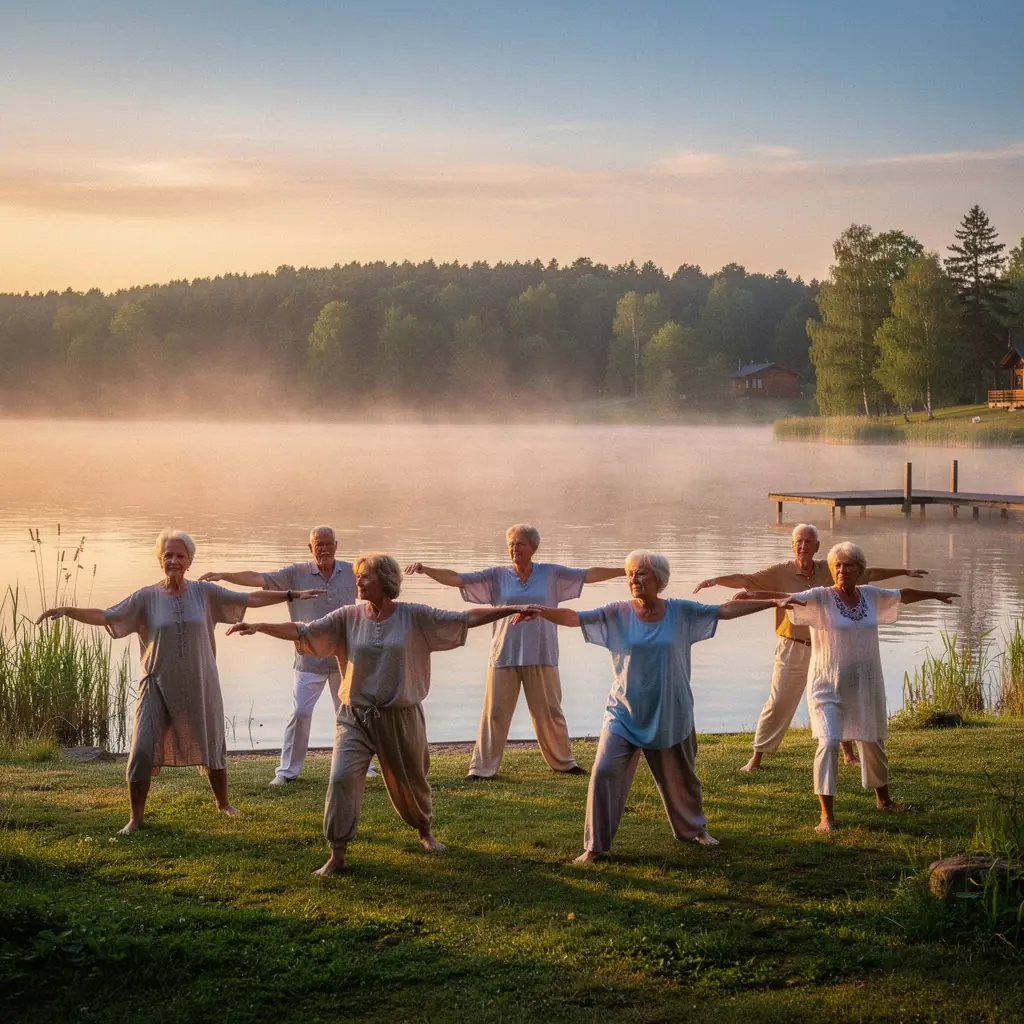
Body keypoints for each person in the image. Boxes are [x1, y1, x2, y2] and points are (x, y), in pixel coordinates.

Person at [229, 553, 530, 875]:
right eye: (357, 576)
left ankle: (424, 830)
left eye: (365, 577)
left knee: (411, 782)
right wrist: (260, 625)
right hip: (354, 716)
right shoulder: (347, 616)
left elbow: (462, 618)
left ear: (385, 580)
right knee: (342, 778)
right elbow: (305, 630)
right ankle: (338, 853)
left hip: (399, 715)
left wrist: (511, 608)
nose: (358, 581)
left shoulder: (414, 615)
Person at [35, 529, 323, 834]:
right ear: (160, 561)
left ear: (189, 561)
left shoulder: (205, 593)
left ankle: (223, 804)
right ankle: (135, 818)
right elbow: (107, 614)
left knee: (211, 741)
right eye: (168, 555)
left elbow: (250, 598)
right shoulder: (146, 597)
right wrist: (69, 610)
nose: (173, 560)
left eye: (179, 555)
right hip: (156, 682)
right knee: (142, 747)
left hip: (200, 681)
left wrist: (290, 595)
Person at [516, 549, 782, 862]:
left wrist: (774, 602)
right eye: (630, 574)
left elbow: (722, 611)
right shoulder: (618, 612)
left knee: (682, 776)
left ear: (659, 579)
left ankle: (696, 830)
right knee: (603, 772)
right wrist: (541, 610)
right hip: (624, 710)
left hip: (671, 708)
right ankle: (594, 847)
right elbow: (575, 618)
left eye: (641, 574)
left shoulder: (680, 611)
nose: (634, 580)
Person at [693, 524, 928, 773]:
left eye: (808, 541)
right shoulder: (779, 571)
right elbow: (746, 580)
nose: (803, 546)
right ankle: (757, 757)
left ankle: (848, 754)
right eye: (799, 541)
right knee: (779, 701)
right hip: (793, 646)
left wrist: (905, 570)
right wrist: (715, 580)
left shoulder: (831, 567)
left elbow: (867, 574)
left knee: (841, 696)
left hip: (828, 646)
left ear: (817, 546)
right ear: (792, 545)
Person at [405, 524, 625, 779]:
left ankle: (564, 762)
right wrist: (425, 569)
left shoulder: (551, 573)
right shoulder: (497, 575)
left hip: (542, 653)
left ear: (533, 547)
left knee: (550, 712)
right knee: (495, 713)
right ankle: (481, 769)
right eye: (511, 543)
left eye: (520, 543)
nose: (514, 548)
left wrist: (625, 570)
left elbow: (588, 575)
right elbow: (458, 579)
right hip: (504, 653)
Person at [777, 542, 957, 832]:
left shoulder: (871, 596)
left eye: (848, 565)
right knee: (829, 741)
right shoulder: (820, 597)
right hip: (827, 683)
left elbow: (903, 595)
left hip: (865, 682)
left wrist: (935, 594)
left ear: (860, 571)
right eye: (836, 565)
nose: (840, 570)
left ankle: (884, 800)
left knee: (872, 738)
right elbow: (787, 598)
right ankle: (826, 816)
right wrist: (760, 598)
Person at [199, 526, 377, 785]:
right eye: (319, 545)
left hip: (346, 658)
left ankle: (365, 766)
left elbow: (376, 592)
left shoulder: (352, 572)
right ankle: (286, 772)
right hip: (309, 658)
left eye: (329, 544)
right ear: (310, 548)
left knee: (352, 712)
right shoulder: (296, 574)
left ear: (337, 546)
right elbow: (259, 578)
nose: (324, 549)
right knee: (301, 713)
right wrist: (224, 575)